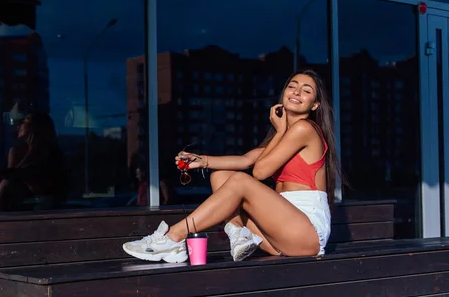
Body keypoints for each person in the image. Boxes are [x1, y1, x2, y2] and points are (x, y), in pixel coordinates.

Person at [122, 69, 340, 262]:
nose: (296, 92)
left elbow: (260, 171)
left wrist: (281, 130)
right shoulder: (285, 138)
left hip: (306, 233)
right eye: (292, 86)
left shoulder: (304, 129)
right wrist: (202, 160)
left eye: (306, 90)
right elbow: (246, 160)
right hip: (279, 234)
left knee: (240, 181)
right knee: (221, 176)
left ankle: (173, 237)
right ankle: (237, 233)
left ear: (315, 105)